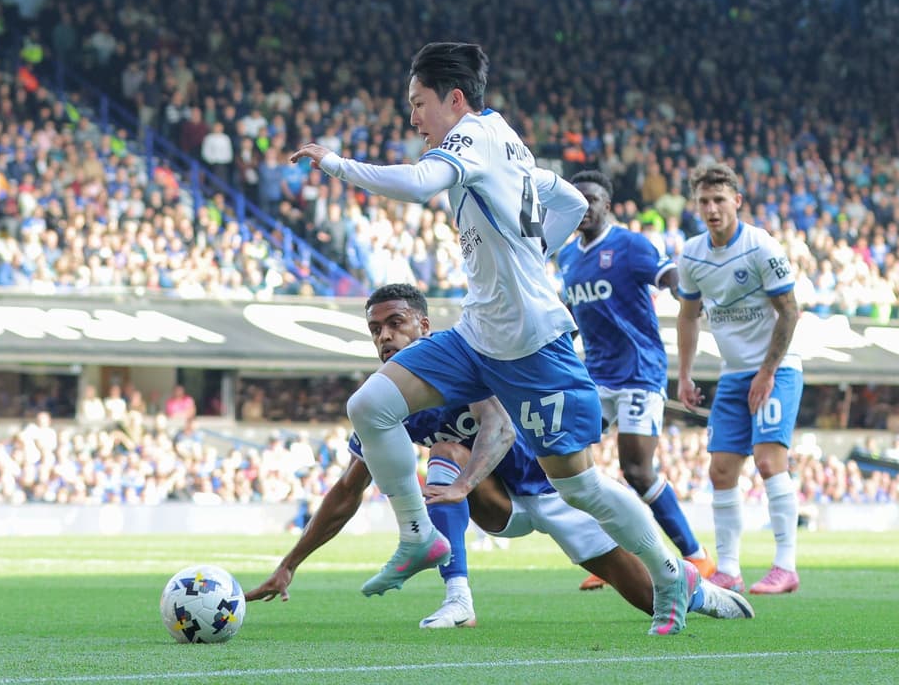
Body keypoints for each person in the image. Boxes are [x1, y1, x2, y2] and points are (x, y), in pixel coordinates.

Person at [291, 41, 691, 635]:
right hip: (480, 332)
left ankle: (669, 574)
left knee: (580, 486)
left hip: (532, 344)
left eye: (418, 103)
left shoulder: (471, 138)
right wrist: (537, 252)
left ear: (454, 99)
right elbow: (572, 199)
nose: (412, 118)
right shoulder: (506, 139)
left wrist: (336, 162)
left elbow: (421, 183)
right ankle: (418, 537)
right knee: (369, 404)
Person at [244, 284, 754, 628]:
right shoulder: (388, 400)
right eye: (376, 330)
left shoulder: (460, 354)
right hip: (494, 501)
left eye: (395, 324)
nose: (384, 337)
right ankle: (458, 599)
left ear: (423, 325)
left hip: (554, 487)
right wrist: (290, 564)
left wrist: (465, 481)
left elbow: (501, 424)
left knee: (645, 596)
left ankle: (695, 587)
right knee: (441, 453)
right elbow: (347, 490)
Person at [557, 171, 716, 591]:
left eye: (592, 199)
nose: (585, 206)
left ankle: (695, 553)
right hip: (594, 375)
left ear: (607, 205)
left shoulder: (629, 245)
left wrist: (686, 294)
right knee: (570, 466)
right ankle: (614, 557)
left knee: (637, 470)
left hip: (638, 373)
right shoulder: (568, 257)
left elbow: (667, 276)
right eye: (578, 199)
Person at [675, 163, 804, 595]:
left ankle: (785, 566)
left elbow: (789, 311)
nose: (712, 209)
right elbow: (689, 315)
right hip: (733, 374)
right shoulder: (691, 254)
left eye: (719, 201)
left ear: (737, 203)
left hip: (777, 369)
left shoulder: (760, 247)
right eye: (704, 202)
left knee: (769, 462)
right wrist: (686, 373)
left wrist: (767, 372)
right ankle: (728, 568)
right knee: (721, 470)